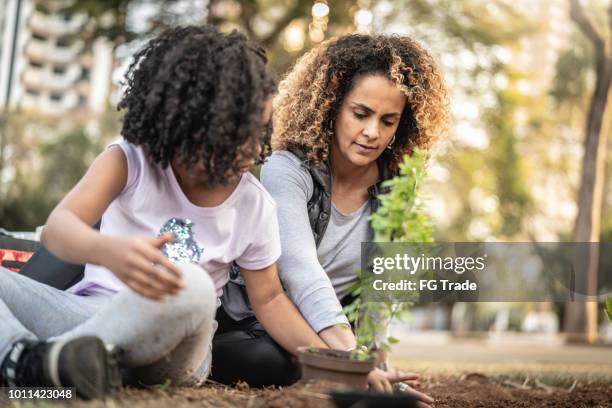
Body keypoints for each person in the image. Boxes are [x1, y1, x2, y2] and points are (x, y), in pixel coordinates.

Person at [0, 25, 327, 399]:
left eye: (261, 131)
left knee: (194, 285)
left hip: (175, 349)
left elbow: (269, 299)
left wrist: (333, 359)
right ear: (190, 122)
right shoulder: (130, 159)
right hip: (89, 317)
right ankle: (33, 361)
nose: (254, 150)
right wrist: (108, 251)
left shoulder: (253, 203)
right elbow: (57, 230)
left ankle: (49, 363)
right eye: (239, 133)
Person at [217, 33, 448, 405]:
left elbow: (378, 293)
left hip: (330, 339)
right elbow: (300, 270)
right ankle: (334, 372)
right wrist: (354, 363)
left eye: (388, 121)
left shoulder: (395, 187)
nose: (372, 132)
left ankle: (339, 374)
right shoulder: (287, 169)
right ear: (331, 106)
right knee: (272, 361)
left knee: (296, 364)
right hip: (254, 326)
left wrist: (378, 368)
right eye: (361, 114)